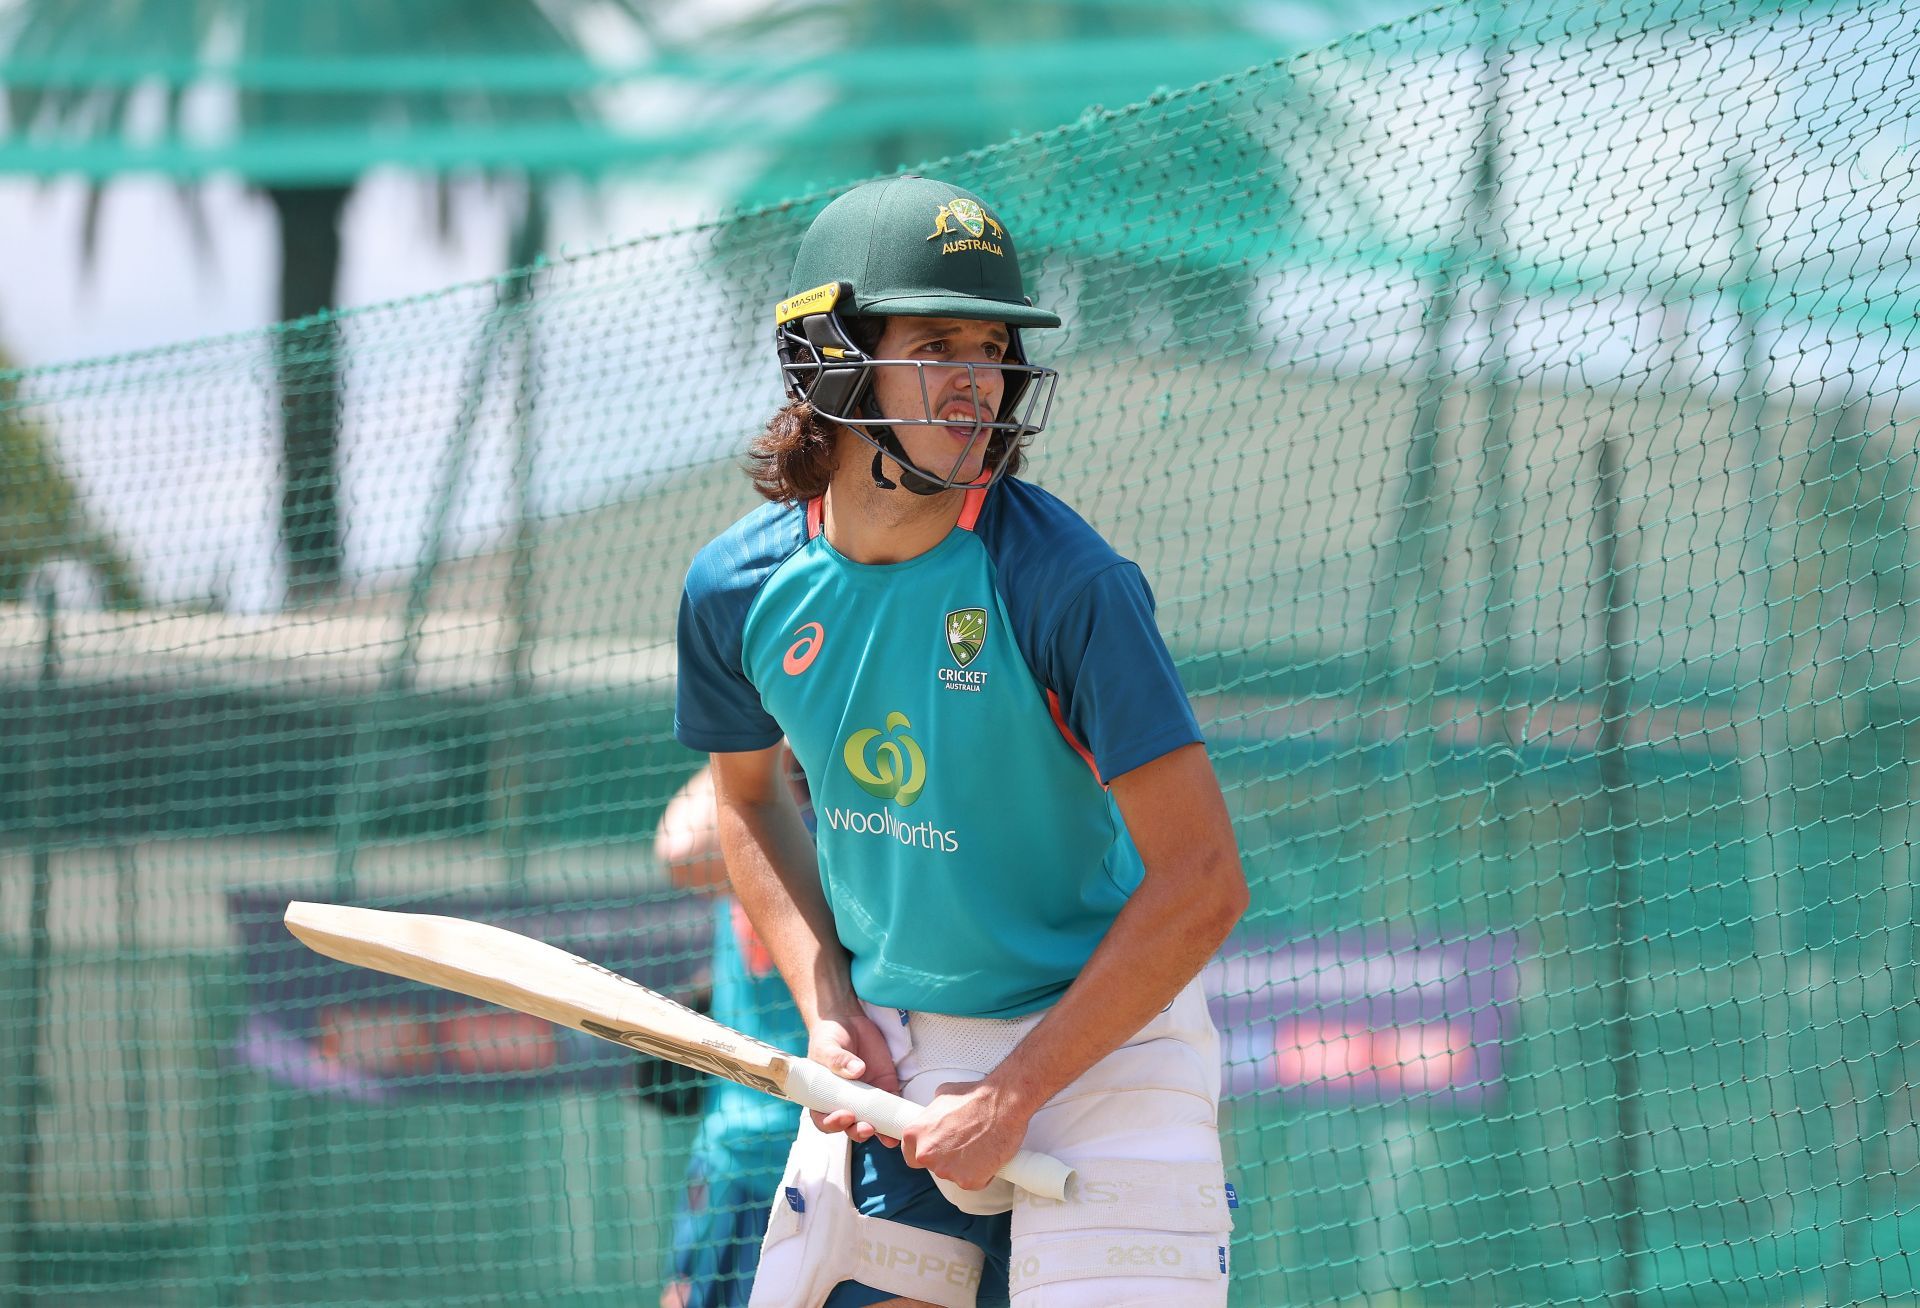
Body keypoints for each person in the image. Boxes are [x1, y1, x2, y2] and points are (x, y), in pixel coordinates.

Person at [673, 173, 1249, 1308]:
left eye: (992, 349)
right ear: (829, 361)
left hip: (1108, 1049)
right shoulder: (735, 589)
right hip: (899, 1044)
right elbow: (744, 801)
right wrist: (827, 1002)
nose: (977, 382)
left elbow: (1205, 881)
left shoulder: (1069, 585)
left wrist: (1017, 1092)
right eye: (937, 343)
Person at [657, 758, 813, 1308]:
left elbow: (682, 851)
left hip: (829, 1153)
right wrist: (748, 728)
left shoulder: (848, 819)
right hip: (734, 1155)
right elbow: (683, 849)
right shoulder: (750, 804)